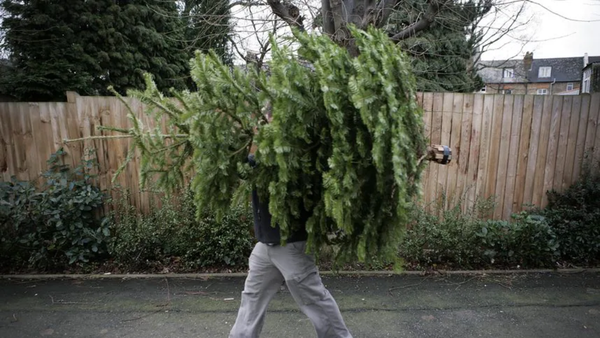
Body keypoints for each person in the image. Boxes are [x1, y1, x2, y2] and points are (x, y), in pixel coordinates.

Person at [228, 154, 353, 338]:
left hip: (291, 244)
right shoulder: (263, 155)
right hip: (266, 244)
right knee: (253, 296)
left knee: (314, 299)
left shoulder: (296, 153)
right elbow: (244, 166)